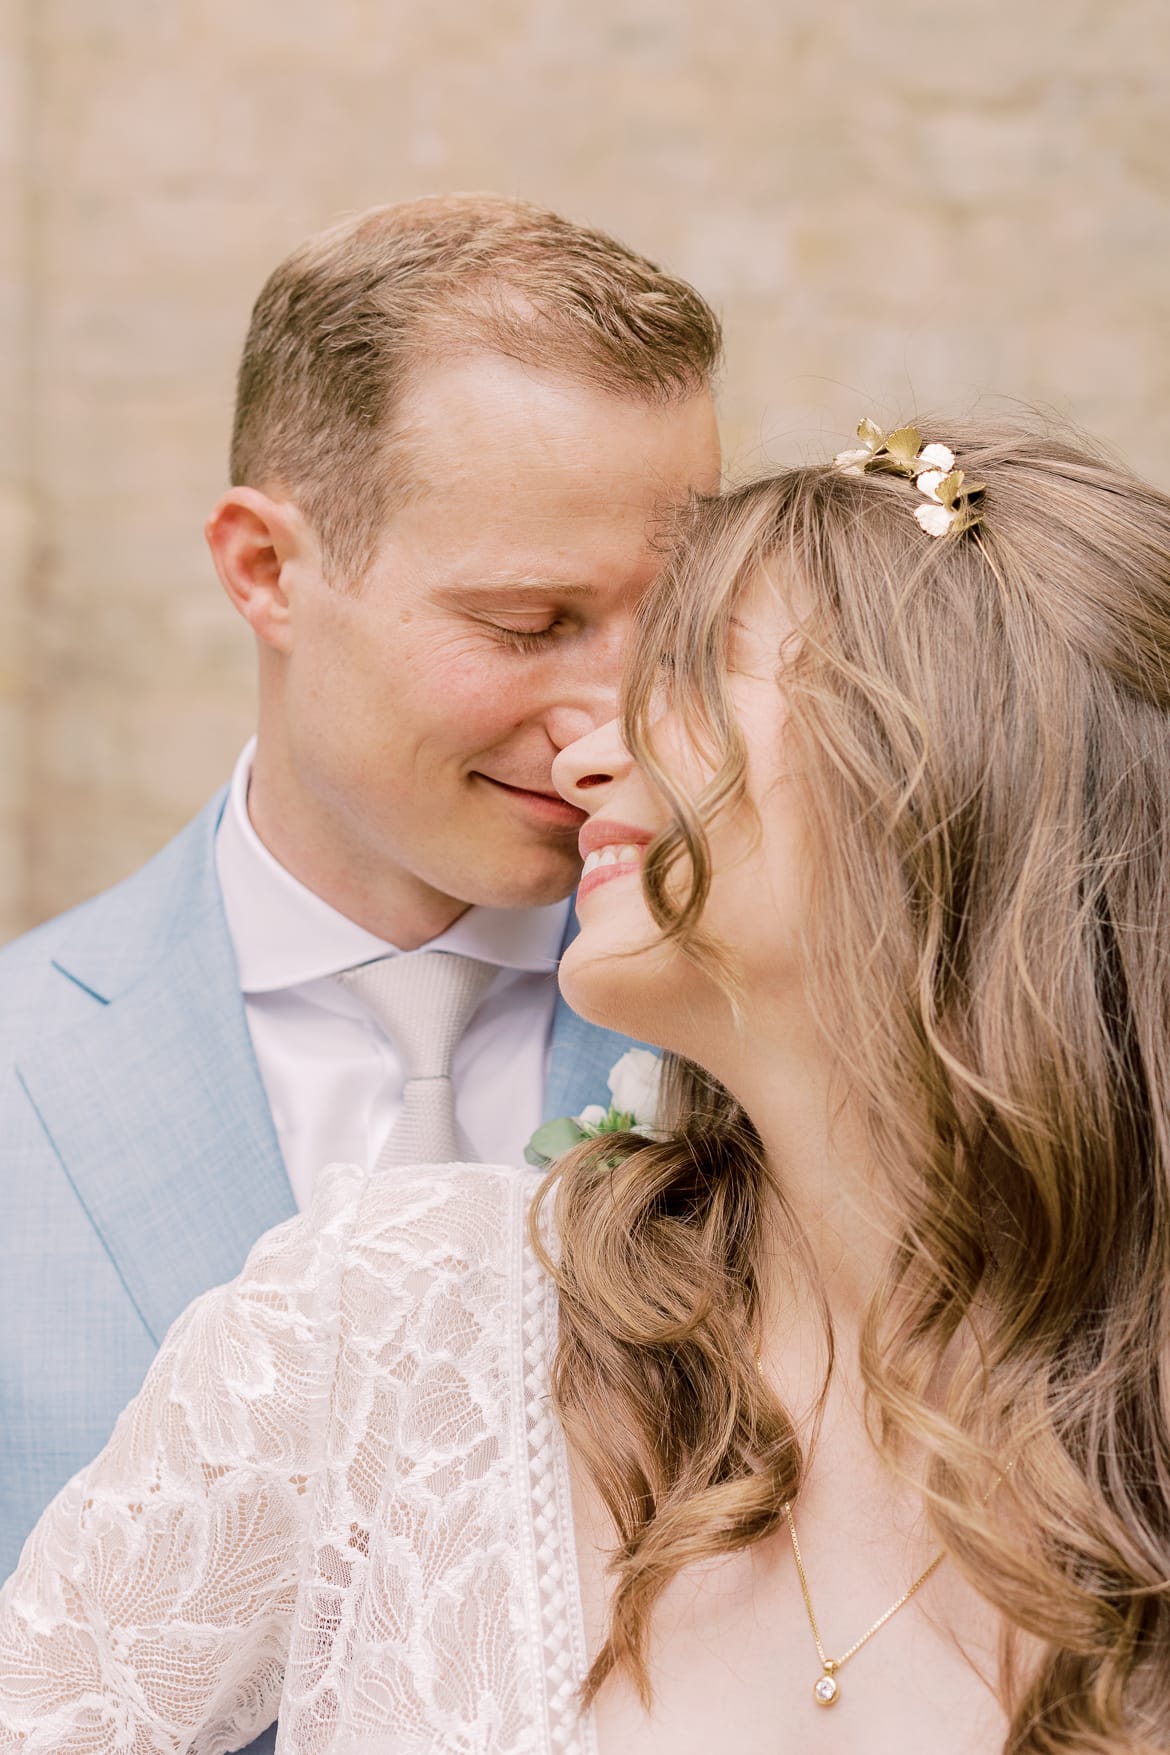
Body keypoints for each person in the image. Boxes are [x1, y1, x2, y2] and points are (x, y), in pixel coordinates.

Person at [4, 416, 1169, 1755]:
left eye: (692, 678)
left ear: (939, 776)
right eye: (524, 621)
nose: (587, 754)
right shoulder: (396, 1320)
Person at [0, 188, 722, 1622]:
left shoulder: (780, 1042)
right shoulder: (24, 1067)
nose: (614, 721)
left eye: (681, 619)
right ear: (264, 568)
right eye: (528, 625)